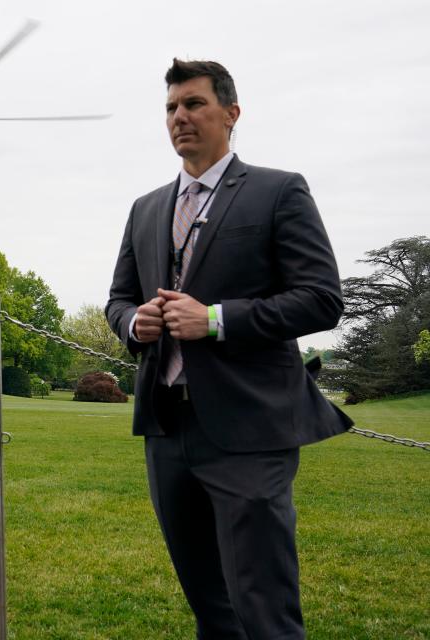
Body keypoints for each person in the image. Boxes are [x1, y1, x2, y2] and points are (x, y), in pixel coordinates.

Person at [104, 59, 353, 639]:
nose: (180, 118)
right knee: (209, 606)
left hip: (250, 431)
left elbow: (321, 299)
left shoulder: (277, 190)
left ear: (231, 113)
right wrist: (131, 324)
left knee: (262, 607)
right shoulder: (145, 208)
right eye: (171, 108)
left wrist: (215, 320)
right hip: (167, 428)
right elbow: (118, 298)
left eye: (193, 104)